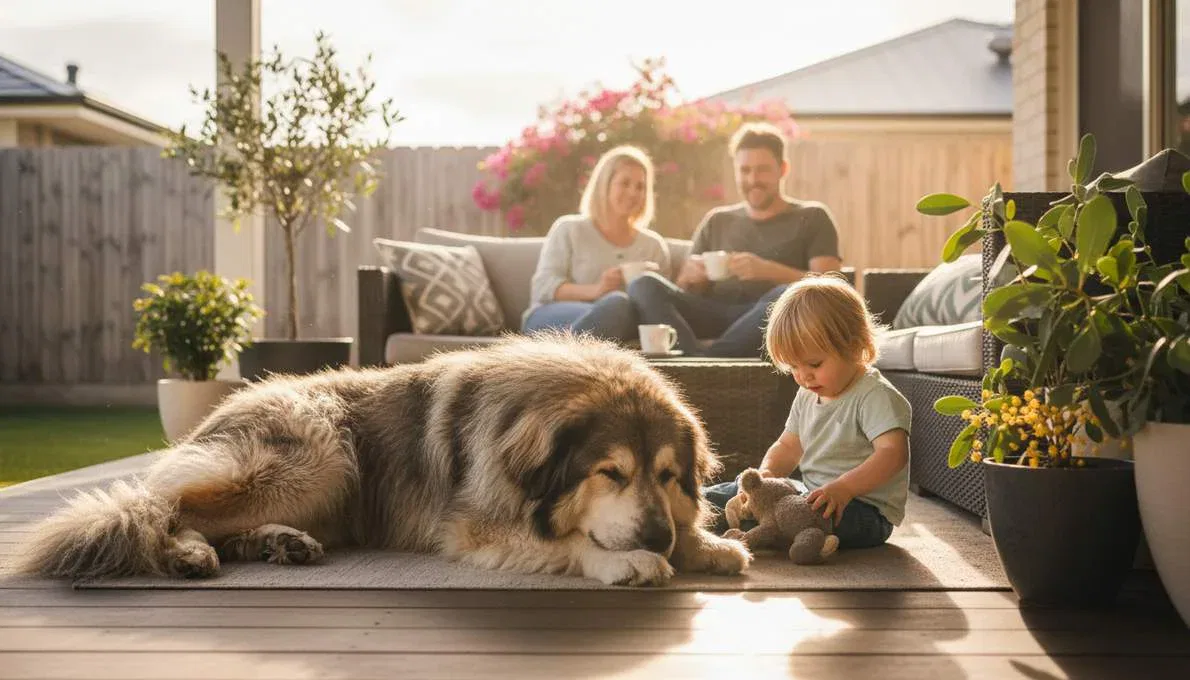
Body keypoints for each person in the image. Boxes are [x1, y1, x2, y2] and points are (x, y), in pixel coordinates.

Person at [703, 274, 913, 550]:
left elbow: (893, 454)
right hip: (807, 494)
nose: (803, 376)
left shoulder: (874, 396)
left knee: (791, 511)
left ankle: (751, 526)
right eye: (793, 367)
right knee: (745, 490)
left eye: (814, 364)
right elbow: (788, 446)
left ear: (855, 345)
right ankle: (692, 505)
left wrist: (845, 488)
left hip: (862, 510)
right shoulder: (808, 394)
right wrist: (767, 475)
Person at [628, 122, 843, 357]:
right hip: (713, 313)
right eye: (745, 170)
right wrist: (690, 278)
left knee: (785, 295)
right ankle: (700, 360)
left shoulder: (812, 217)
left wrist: (768, 270)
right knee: (643, 284)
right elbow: (684, 292)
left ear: (782, 169)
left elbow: (829, 286)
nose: (752, 179)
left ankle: (705, 363)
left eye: (762, 170)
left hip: (769, 317)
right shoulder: (717, 220)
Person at [522, 145, 671, 342]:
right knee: (617, 304)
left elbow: (661, 308)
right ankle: (566, 360)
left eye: (640, 187)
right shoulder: (569, 229)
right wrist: (597, 290)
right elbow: (543, 287)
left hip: (621, 322)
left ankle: (564, 363)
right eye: (624, 183)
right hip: (552, 316)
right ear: (604, 185)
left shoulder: (653, 246)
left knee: (621, 309)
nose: (633, 193)